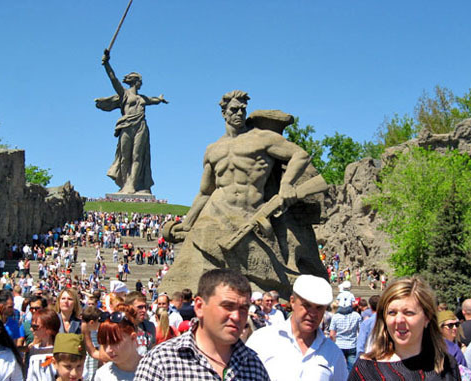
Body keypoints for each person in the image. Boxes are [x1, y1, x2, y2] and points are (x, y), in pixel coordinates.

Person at [162, 90, 327, 296]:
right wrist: (187, 223)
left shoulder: (262, 138)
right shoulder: (213, 149)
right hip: (214, 214)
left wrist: (287, 184)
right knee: (189, 279)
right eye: (234, 109)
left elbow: (300, 155)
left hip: (251, 214)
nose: (239, 113)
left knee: (268, 275)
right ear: (223, 113)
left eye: (242, 109)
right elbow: (205, 192)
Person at [134, 268, 270, 380]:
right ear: (199, 307)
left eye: (243, 308)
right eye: (227, 306)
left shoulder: (254, 366)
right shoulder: (160, 362)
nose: (236, 316)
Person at [349, 276, 462, 380]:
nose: (399, 320)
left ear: (427, 317)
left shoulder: (446, 365)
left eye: (408, 313)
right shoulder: (366, 370)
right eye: (392, 313)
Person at [246, 274, 347, 380]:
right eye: (307, 305)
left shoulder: (333, 353)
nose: (312, 314)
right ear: (292, 302)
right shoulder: (262, 340)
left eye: (319, 308)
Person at [95, 49, 168, 194]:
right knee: (124, 156)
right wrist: (106, 64)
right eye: (140, 81)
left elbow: (153, 100)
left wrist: (160, 99)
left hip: (141, 126)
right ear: (136, 81)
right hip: (127, 126)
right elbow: (113, 79)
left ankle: (132, 185)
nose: (141, 83)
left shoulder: (142, 98)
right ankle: (124, 184)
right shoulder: (124, 94)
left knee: (137, 156)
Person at [94, 305, 141, 381]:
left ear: (133, 337)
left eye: (114, 342)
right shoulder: (102, 375)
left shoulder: (155, 368)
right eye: (104, 344)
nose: (108, 350)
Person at [27, 308, 61, 381]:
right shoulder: (33, 350)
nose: (31, 329)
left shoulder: (60, 351)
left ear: (49, 329)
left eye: (35, 327)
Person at [329, 298, 362, 372]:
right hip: (352, 344)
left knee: (339, 368)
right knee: (352, 369)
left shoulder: (335, 317)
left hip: (339, 344)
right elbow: (360, 331)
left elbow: (332, 334)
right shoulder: (357, 316)